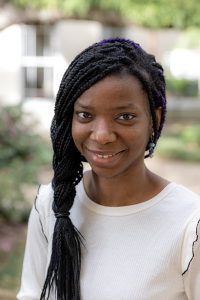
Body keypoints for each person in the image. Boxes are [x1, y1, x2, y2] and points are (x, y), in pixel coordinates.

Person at [17, 38, 200, 300]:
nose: (102, 136)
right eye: (85, 115)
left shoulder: (190, 223)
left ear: (154, 120)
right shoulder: (50, 205)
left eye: (125, 116)